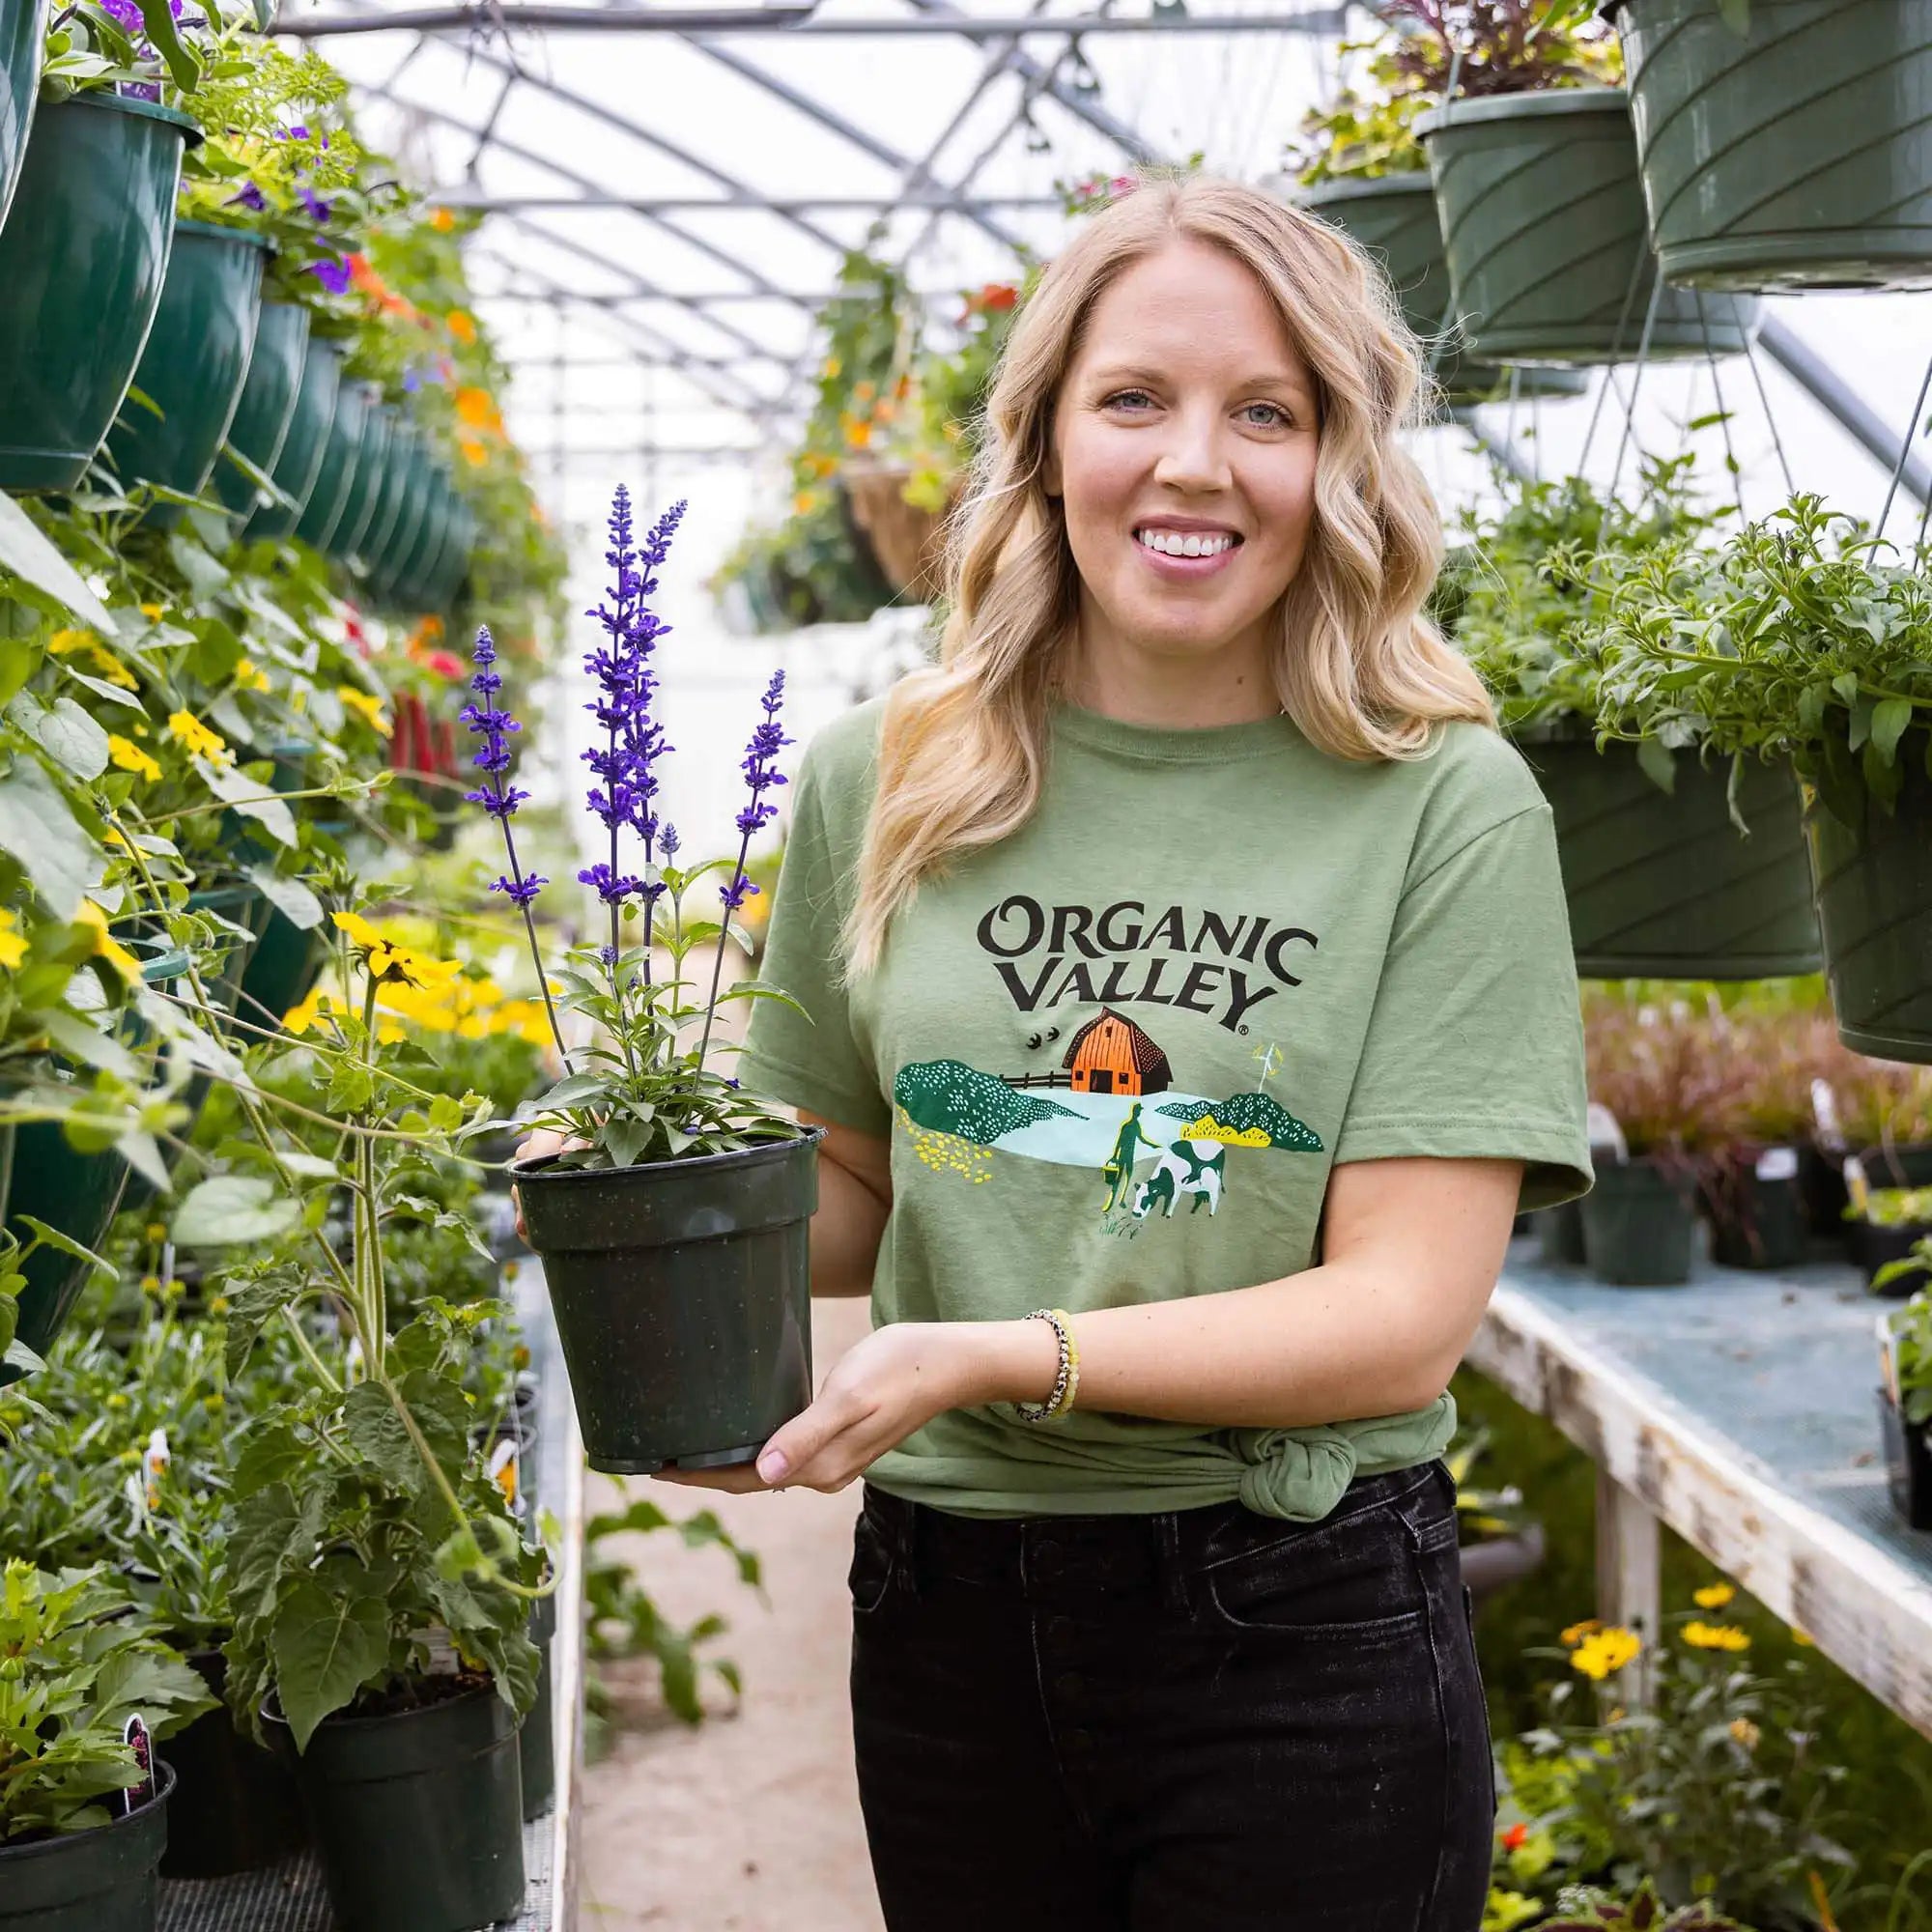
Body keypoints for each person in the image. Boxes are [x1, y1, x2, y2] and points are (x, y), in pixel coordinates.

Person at [527, 173, 1590, 1930]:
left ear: (1336, 458)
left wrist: (1003, 1354)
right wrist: (671, 1265)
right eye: (1134, 400)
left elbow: (1404, 1307)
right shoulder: (890, 771)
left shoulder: (1442, 802)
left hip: (1297, 1618)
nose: (1195, 464)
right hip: (950, 1616)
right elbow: (858, 1180)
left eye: (1268, 411)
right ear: (1042, 445)